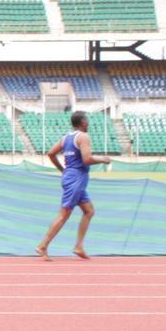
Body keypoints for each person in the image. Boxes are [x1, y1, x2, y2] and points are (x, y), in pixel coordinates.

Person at [37, 110, 113, 261]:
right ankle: (43, 245)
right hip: (76, 178)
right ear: (83, 122)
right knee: (64, 213)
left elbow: (51, 153)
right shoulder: (83, 137)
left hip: (72, 177)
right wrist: (103, 159)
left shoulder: (66, 138)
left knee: (89, 211)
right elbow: (87, 159)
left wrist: (63, 170)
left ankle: (79, 246)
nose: (88, 123)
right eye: (87, 120)